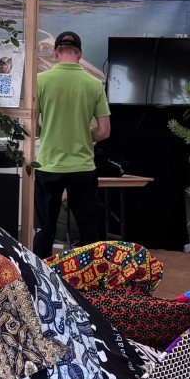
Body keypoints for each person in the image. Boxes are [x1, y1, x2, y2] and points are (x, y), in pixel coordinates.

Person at [33, 30, 111, 258]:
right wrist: (86, 137)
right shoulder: (94, 84)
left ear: (56, 52)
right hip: (83, 167)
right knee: (89, 231)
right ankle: (89, 282)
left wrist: (44, 132)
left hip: (48, 166)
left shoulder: (40, 81)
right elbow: (105, 131)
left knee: (45, 228)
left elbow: (30, 126)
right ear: (79, 54)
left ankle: (42, 280)